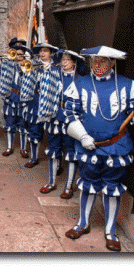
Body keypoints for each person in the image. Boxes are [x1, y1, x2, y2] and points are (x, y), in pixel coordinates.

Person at [63, 46, 134, 252]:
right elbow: (69, 114)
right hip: (88, 146)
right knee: (88, 184)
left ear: (112, 63)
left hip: (117, 147)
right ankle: (83, 223)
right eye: (94, 61)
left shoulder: (127, 86)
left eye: (103, 61)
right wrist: (82, 136)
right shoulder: (79, 83)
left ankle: (110, 231)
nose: (97, 65)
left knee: (112, 186)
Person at [39, 49, 85, 199]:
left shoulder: (81, 81)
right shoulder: (55, 74)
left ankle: (68, 186)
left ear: (74, 63)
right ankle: (51, 182)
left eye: (67, 60)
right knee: (53, 149)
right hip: (54, 115)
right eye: (63, 60)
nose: (64, 63)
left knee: (71, 152)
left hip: (70, 118)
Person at [22, 43, 60, 169]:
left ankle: (57, 162)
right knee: (34, 129)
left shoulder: (56, 68)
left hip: (50, 101)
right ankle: (34, 157)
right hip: (36, 100)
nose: (42, 54)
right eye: (40, 52)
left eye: (45, 51)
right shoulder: (34, 66)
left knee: (53, 134)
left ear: (51, 53)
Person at [0, 43, 30, 156]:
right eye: (16, 53)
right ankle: (9, 147)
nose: (19, 55)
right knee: (10, 123)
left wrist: (25, 64)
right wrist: (6, 60)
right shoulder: (8, 64)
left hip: (23, 99)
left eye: (21, 53)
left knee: (23, 125)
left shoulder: (28, 65)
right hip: (10, 98)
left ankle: (23, 149)